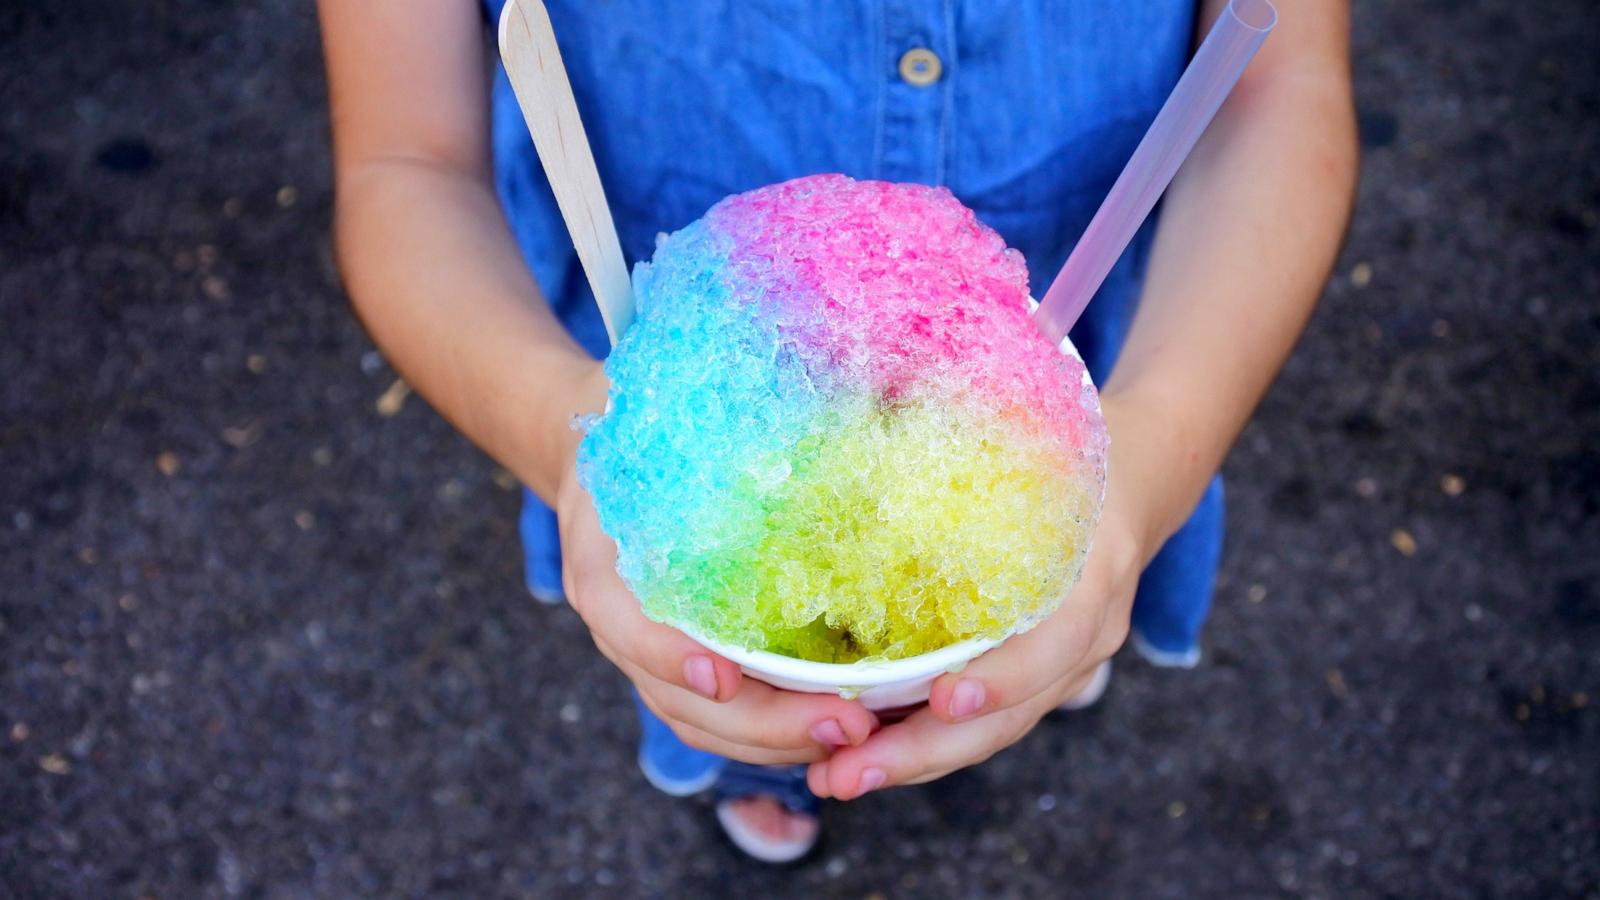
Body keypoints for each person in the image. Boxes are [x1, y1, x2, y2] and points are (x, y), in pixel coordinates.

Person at [317, 0, 1355, 863]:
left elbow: (1272, 80)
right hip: (695, 412)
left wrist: (1149, 454)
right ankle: (761, 760)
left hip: (1066, 367)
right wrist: (562, 435)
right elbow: (407, 163)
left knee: (1038, 597)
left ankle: (1064, 623)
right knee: (731, 677)